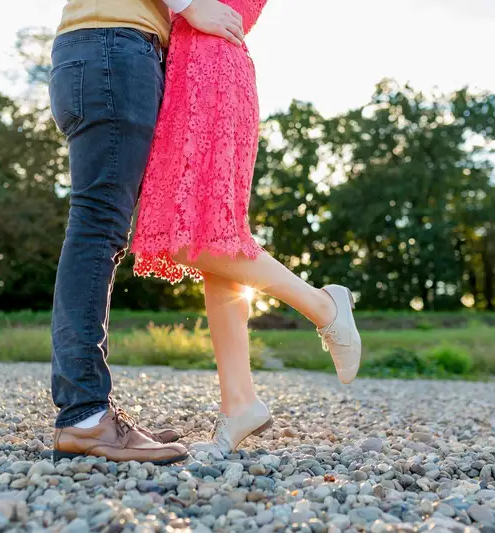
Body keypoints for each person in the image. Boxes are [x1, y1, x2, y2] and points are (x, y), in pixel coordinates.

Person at [131, 0, 362, 458]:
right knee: (213, 245)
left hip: (210, 74)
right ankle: (239, 402)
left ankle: (322, 304)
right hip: (197, 72)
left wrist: (187, 5)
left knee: (196, 241)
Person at [48, 0, 247, 464]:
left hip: (94, 51)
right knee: (97, 228)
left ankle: (87, 411)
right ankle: (85, 416)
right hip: (115, 48)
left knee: (97, 227)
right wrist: (191, 6)